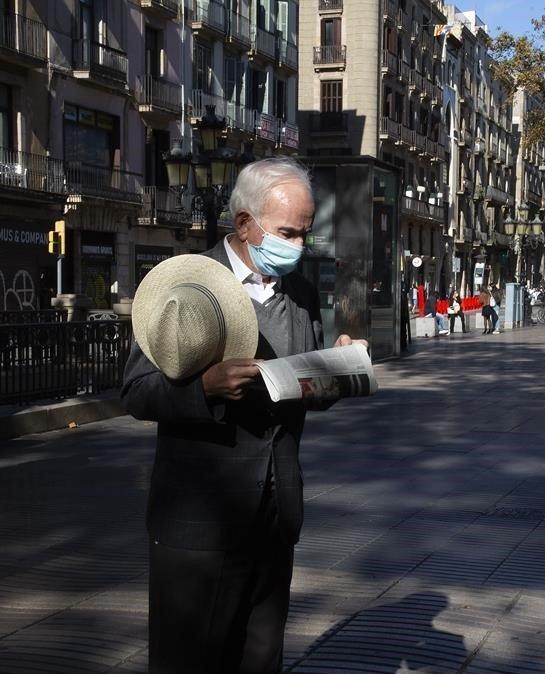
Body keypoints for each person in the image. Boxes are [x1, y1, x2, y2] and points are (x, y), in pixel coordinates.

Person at [121, 158, 367, 673]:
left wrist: (339, 366)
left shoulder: (298, 292)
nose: (298, 246)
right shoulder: (186, 286)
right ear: (244, 224)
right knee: (189, 661)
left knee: (261, 659)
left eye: (304, 234)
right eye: (287, 233)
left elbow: (302, 385)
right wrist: (204, 389)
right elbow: (137, 391)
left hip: (274, 517)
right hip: (199, 522)